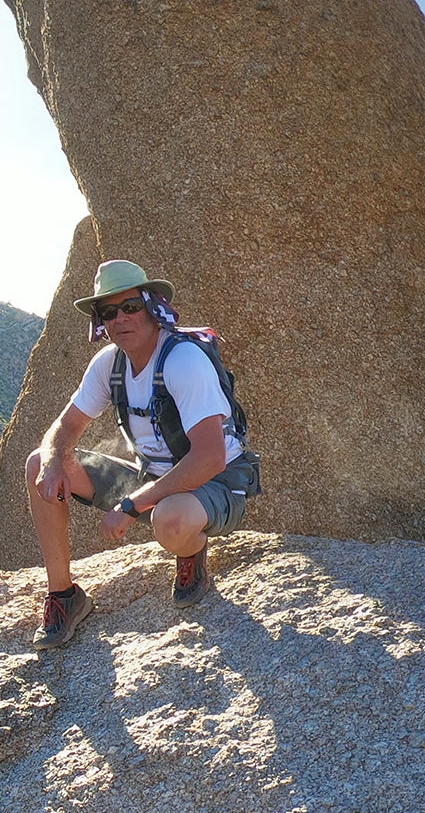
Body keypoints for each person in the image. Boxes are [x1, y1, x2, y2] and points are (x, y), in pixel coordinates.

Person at [26, 259, 260, 648]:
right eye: (109, 312)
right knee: (38, 463)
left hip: (215, 481)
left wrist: (133, 505)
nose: (120, 319)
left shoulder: (183, 360)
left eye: (131, 306)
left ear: (152, 307)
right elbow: (65, 427)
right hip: (152, 476)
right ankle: (64, 595)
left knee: (170, 521)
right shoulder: (109, 365)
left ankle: (193, 550)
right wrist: (53, 461)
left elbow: (209, 458)